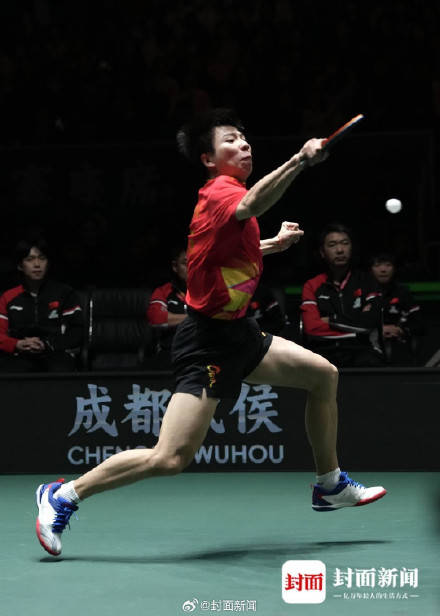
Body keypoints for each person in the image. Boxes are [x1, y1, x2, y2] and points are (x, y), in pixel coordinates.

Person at [35, 108, 386, 557]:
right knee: (170, 458)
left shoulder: (226, 202)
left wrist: (271, 245)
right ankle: (63, 495)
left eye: (245, 138)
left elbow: (221, 251)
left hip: (239, 333)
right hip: (206, 344)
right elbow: (252, 204)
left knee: (323, 375)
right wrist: (300, 160)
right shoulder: (220, 191)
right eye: (231, 141)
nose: (244, 145)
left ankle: (329, 484)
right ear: (208, 159)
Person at [301, 223, 384, 367]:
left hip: (363, 352)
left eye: (345, 243)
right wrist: (356, 330)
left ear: (351, 248)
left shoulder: (367, 281)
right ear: (322, 252)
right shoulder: (312, 285)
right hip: (324, 353)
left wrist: (330, 320)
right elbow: (311, 328)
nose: (340, 250)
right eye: (332, 245)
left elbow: (370, 322)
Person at [0, 238, 84, 372]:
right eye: (30, 259)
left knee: (61, 369)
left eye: (42, 258)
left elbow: (77, 332)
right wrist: (17, 344)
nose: (37, 264)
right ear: (20, 266)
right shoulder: (8, 297)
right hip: (18, 354)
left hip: (55, 352)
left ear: (48, 263)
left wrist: (47, 344)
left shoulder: (65, 293)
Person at [368, 251, 424, 365]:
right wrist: (378, 330)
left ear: (394, 268)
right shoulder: (362, 292)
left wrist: (401, 330)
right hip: (370, 350)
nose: (383, 270)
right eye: (377, 265)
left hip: (399, 349)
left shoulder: (403, 292)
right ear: (370, 269)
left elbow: (420, 325)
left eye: (388, 265)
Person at [146, 246, 188, 366]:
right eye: (185, 263)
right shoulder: (163, 291)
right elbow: (156, 319)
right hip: (171, 354)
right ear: (175, 266)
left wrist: (174, 318)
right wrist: (194, 318)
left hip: (201, 354)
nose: (191, 268)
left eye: (196, 263)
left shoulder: (209, 292)